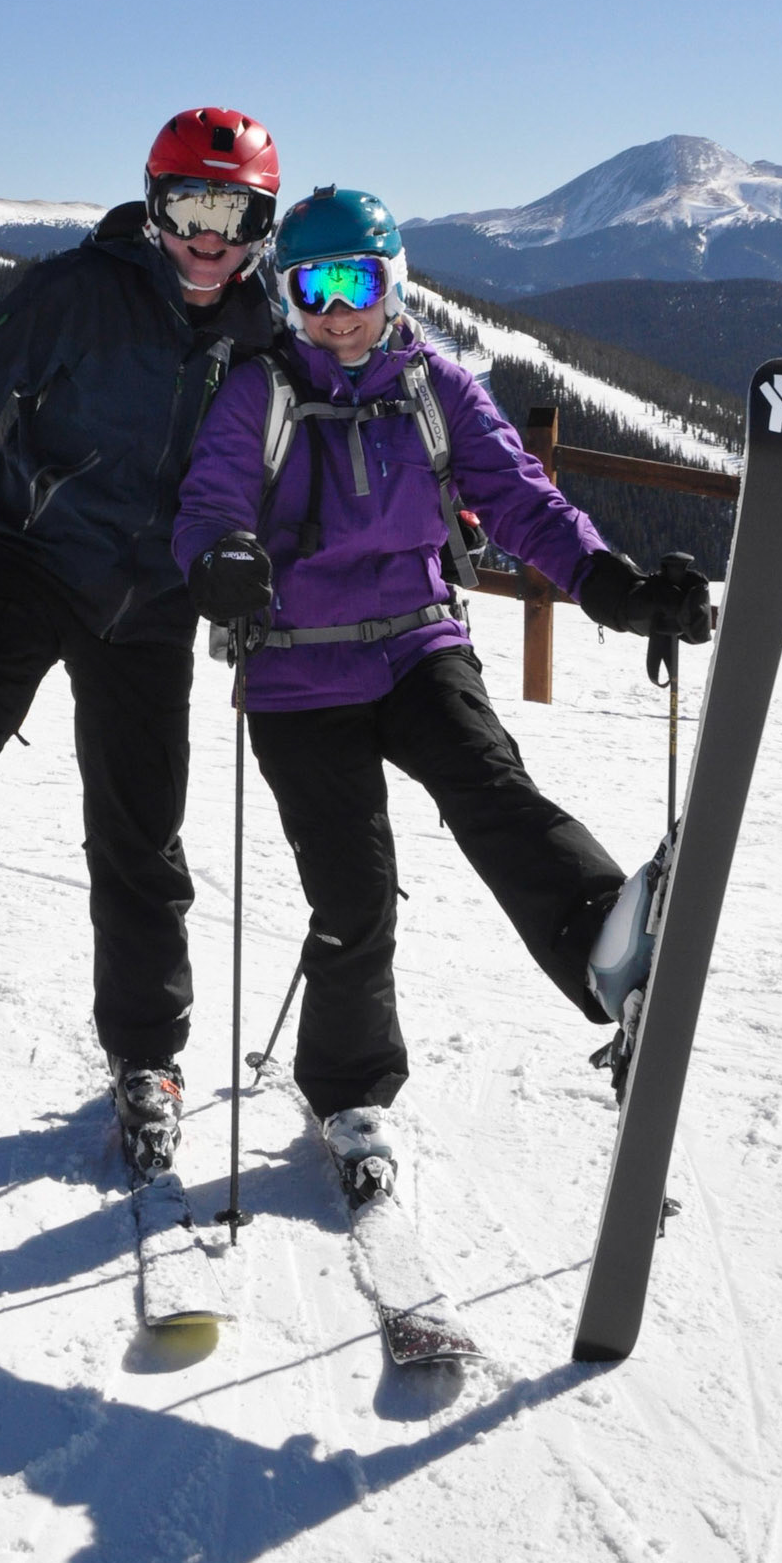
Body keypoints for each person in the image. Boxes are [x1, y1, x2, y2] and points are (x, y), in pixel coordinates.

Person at [172, 186, 711, 1202]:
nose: (338, 310)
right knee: (354, 888)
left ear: (392, 281)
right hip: (295, 669)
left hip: (416, 644)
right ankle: (348, 1092)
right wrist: (221, 559)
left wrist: (613, 587)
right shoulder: (258, 392)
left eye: (357, 283)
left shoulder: (438, 387)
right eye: (313, 287)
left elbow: (520, 499)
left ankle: (604, 937)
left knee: (489, 784)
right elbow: (211, 495)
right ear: (287, 296)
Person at [0, 108, 281, 1174]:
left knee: (139, 830)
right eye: (190, 207)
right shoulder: (78, 289)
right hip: (33, 553)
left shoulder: (267, 328)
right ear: (156, 203)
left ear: (261, 221)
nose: (209, 236)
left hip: (157, 598)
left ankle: (146, 1057)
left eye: (234, 212)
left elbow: (304, 447)